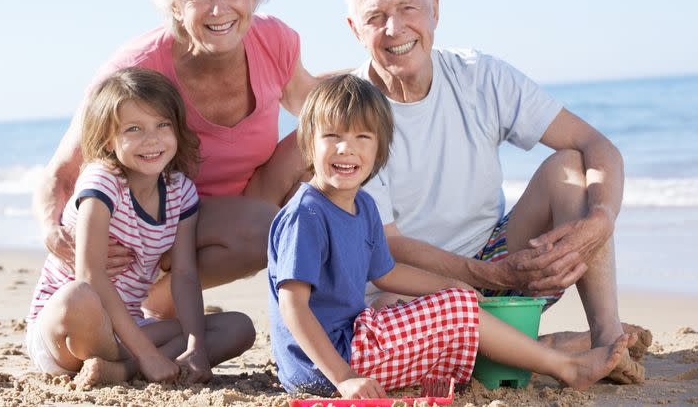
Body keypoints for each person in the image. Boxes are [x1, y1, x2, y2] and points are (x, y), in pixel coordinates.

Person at [343, 0, 647, 384]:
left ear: (434, 9)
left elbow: (596, 144)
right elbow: (387, 247)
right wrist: (485, 276)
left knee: (569, 166)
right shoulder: (351, 115)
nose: (395, 29)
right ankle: (544, 347)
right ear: (355, 29)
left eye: (408, 8)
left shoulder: (479, 76)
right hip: (408, 288)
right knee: (385, 319)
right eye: (376, 16)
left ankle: (605, 337)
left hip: (494, 258)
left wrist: (601, 219)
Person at [267, 75, 635, 399]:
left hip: (353, 341)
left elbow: (387, 273)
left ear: (379, 149)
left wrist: (452, 285)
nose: (346, 149)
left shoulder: (361, 205)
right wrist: (345, 377)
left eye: (362, 137)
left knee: (454, 303)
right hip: (325, 367)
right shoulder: (307, 215)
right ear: (308, 143)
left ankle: (547, 349)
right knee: (456, 314)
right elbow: (293, 307)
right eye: (332, 136)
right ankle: (565, 367)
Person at [33, 0, 319, 318]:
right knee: (265, 227)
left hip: (234, 210)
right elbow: (62, 171)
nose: (219, 9)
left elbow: (321, 104)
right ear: (173, 5)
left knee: (322, 138)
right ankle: (158, 297)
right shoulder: (135, 69)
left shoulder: (274, 40)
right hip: (153, 230)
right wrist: (52, 231)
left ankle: (332, 305)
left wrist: (374, 86)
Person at [26, 68, 255, 387]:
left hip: (129, 327)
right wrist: (148, 354)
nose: (152, 140)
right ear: (108, 138)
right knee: (78, 296)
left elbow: (186, 275)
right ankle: (135, 362)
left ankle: (120, 370)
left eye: (162, 125)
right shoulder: (102, 182)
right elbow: (90, 277)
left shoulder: (180, 191)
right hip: (67, 330)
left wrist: (196, 347)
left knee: (238, 327)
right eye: (134, 129)